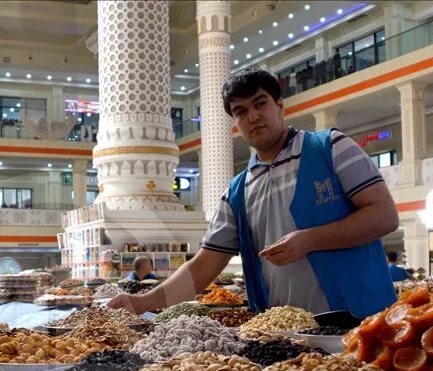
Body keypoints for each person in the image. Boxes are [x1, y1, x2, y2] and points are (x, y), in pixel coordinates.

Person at [109, 67, 398, 319]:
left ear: (280, 106)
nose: (254, 116)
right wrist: (141, 302)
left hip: (363, 322)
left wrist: (309, 239)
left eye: (261, 104)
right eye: (241, 111)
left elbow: (384, 216)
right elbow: (204, 266)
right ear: (235, 123)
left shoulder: (331, 148)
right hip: (288, 341)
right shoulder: (236, 192)